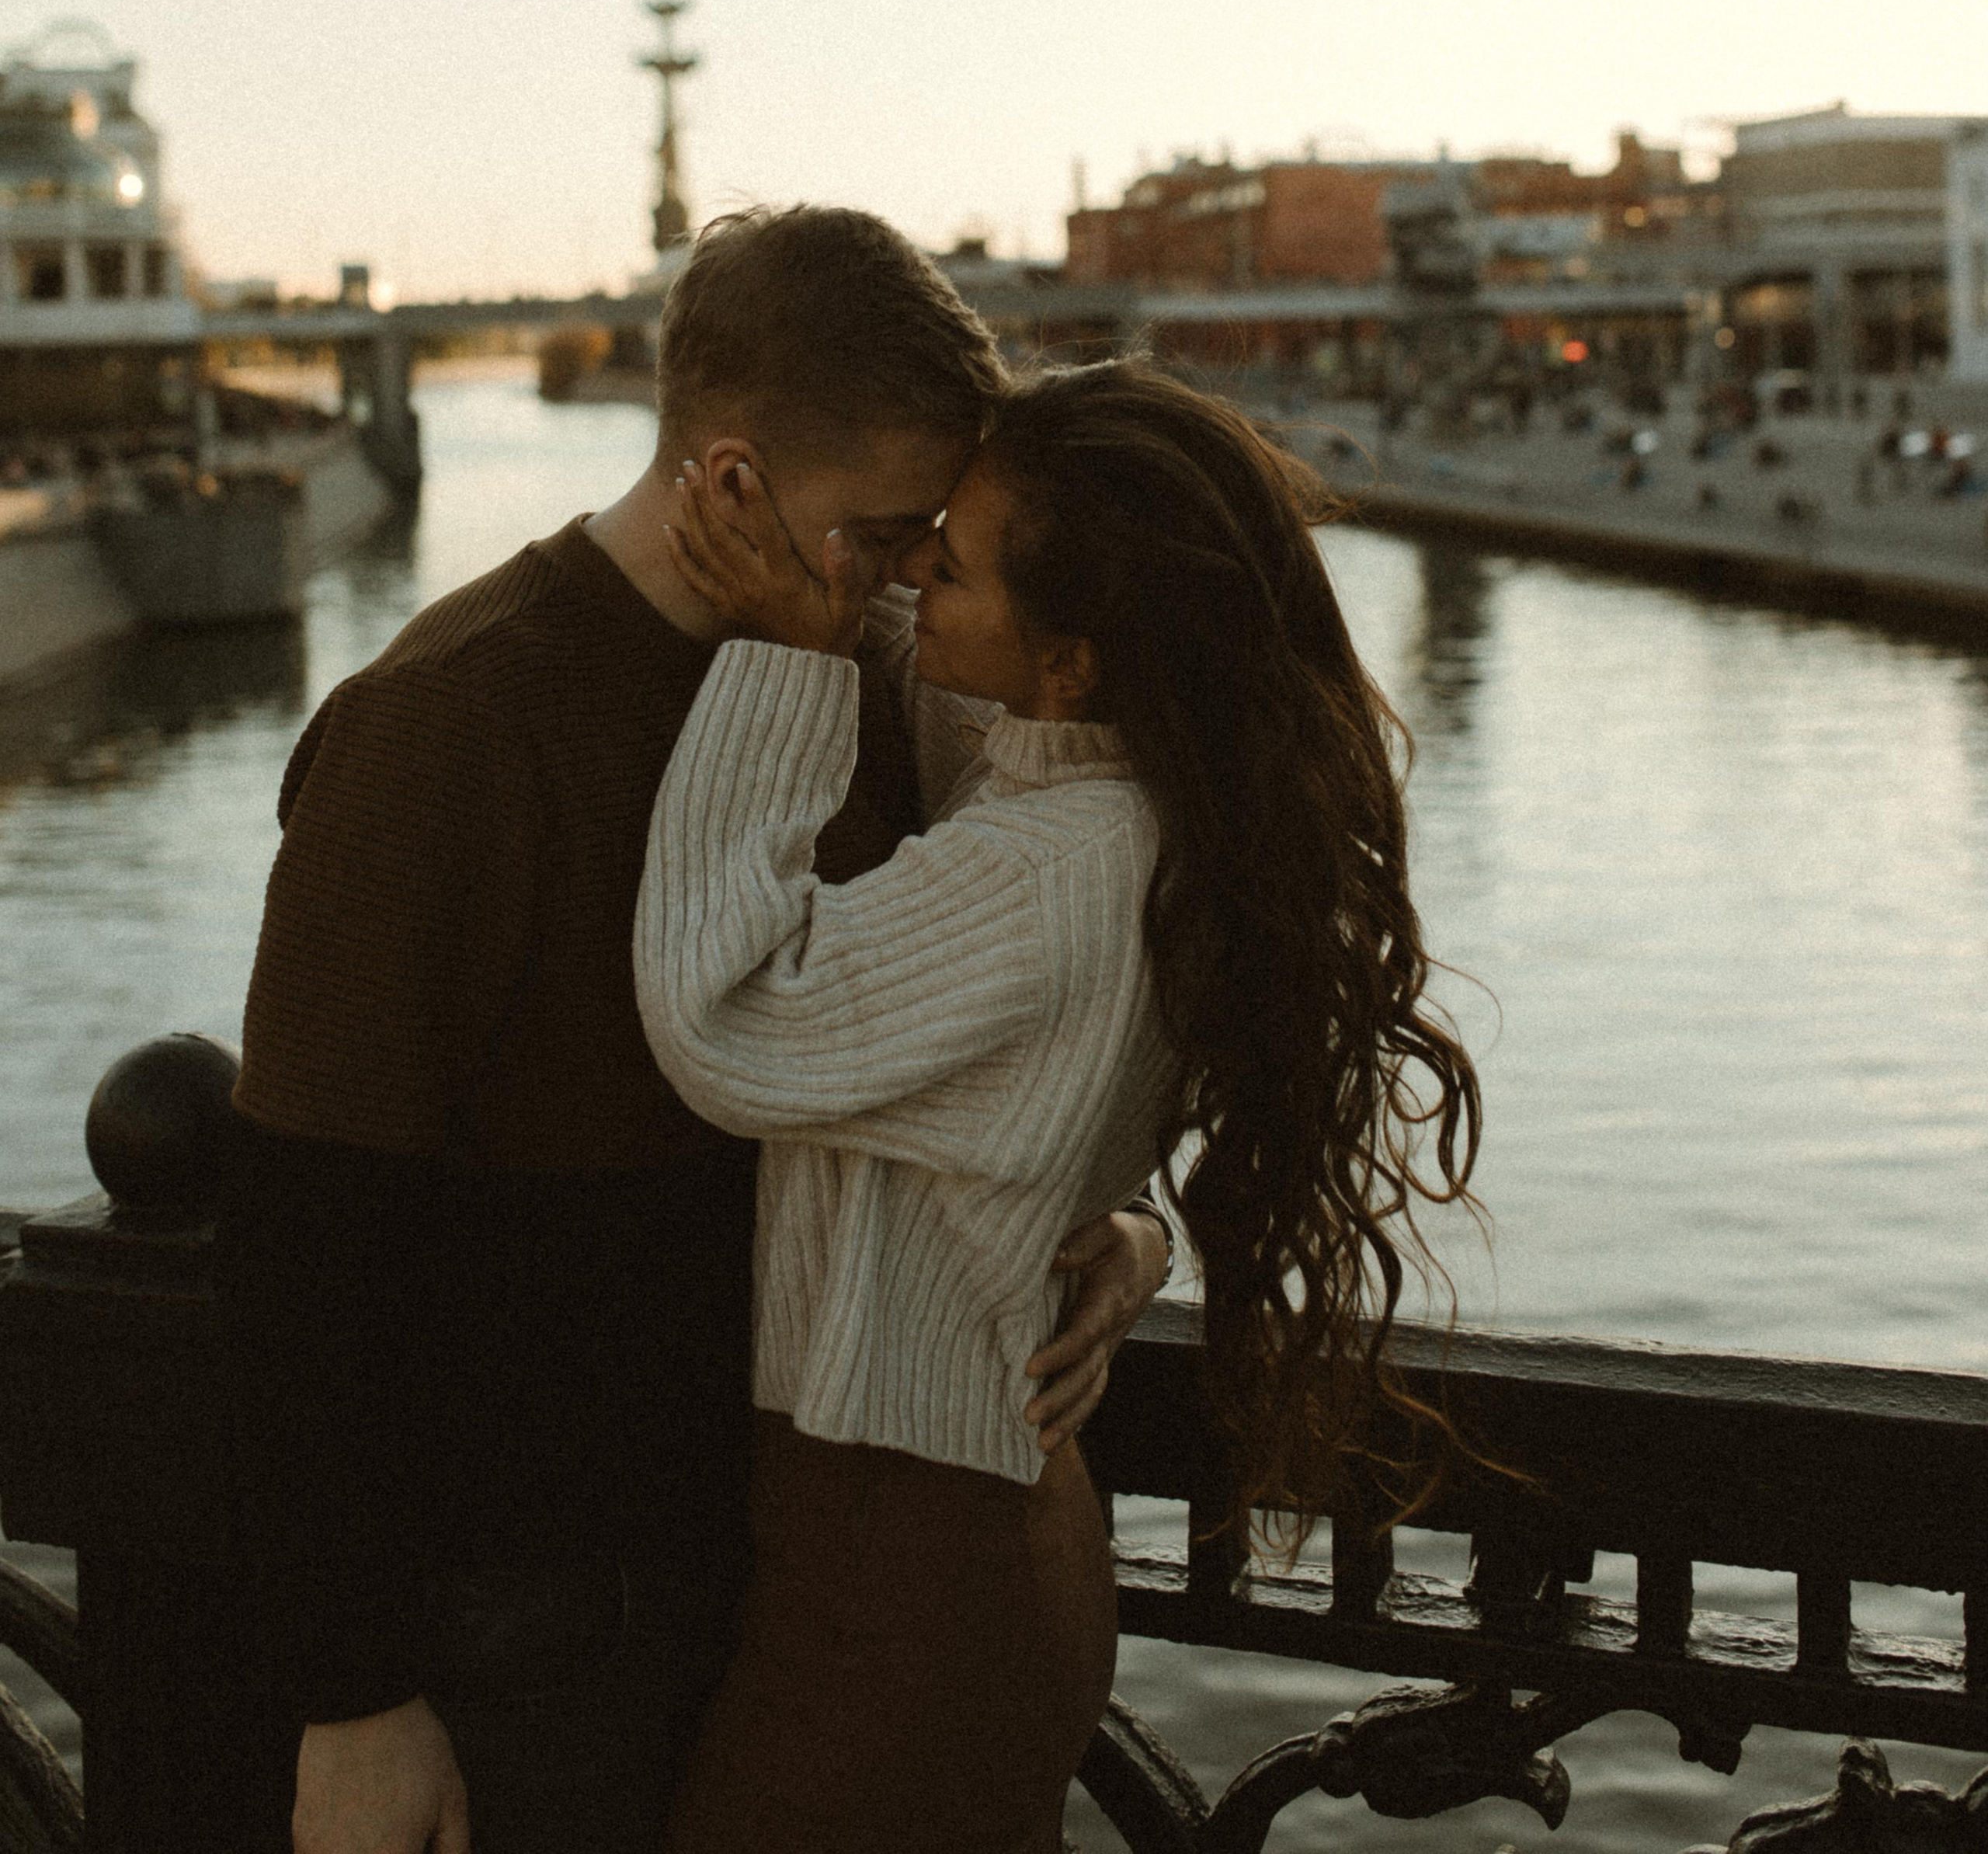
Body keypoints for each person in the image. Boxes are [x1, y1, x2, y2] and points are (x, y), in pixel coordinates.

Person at [216, 208, 1170, 1854]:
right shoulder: (444, 728)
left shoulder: (854, 671)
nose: (903, 583)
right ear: (729, 484)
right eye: (876, 533)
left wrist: (1108, 1213)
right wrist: (351, 1696)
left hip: (777, 1564)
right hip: (529, 1603)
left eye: (927, 538)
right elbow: (308, 1251)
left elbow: (1001, 998)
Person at [636, 358, 1482, 1854]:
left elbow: (729, 1025)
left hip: (904, 1588)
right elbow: (1043, 1054)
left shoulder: (1053, 866)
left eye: (942, 561)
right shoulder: (1098, 776)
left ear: (1078, 655)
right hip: (955, 1547)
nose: (907, 575)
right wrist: (1122, 1217)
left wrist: (779, 651)